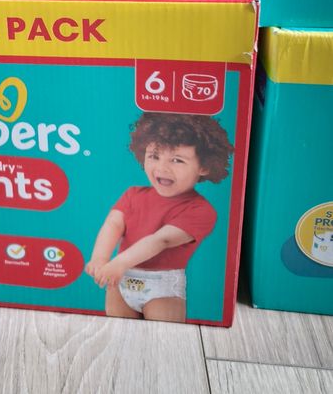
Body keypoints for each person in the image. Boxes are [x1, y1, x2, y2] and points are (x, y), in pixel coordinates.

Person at [86, 112, 234, 322]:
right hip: (121, 278)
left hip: (161, 286)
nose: (162, 168)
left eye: (177, 160)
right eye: (154, 156)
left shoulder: (200, 210)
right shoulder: (132, 194)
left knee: (163, 332)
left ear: (204, 166)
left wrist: (118, 263)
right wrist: (100, 258)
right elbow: (113, 224)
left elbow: (161, 240)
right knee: (119, 329)